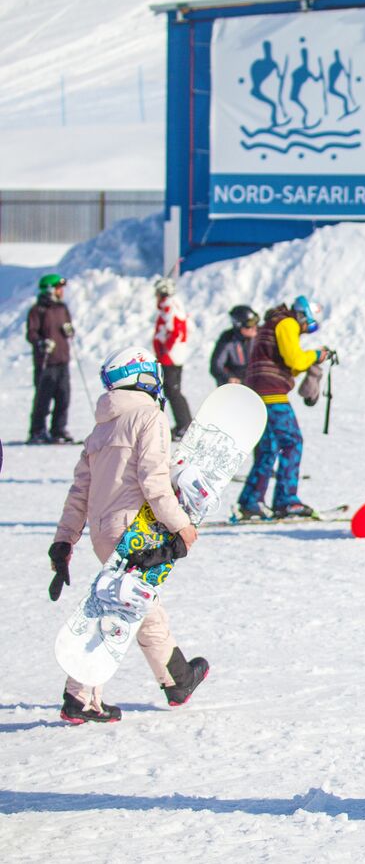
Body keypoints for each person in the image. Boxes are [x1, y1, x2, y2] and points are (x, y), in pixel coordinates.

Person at [47, 347, 209, 724]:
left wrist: (63, 541)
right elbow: (153, 481)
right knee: (120, 611)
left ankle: (177, 679)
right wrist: (179, 525)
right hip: (135, 530)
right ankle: (78, 696)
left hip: (102, 531)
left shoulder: (99, 430)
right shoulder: (148, 417)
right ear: (144, 378)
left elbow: (79, 494)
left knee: (134, 605)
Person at [237, 295, 333, 518]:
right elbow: (296, 360)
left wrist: (311, 362)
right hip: (272, 394)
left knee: (268, 449)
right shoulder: (287, 323)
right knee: (292, 442)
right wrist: (316, 354)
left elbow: (287, 364)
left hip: (256, 393)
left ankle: (251, 502)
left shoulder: (270, 324)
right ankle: (286, 500)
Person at [26, 273, 75, 444]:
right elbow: (31, 333)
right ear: (49, 289)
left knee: (64, 396)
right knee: (43, 398)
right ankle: (37, 431)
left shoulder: (62, 308)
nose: (61, 291)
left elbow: (69, 327)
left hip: (62, 359)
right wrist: (41, 342)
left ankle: (58, 430)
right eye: (58, 288)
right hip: (46, 362)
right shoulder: (38, 310)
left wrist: (69, 330)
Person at [152, 277, 193, 439]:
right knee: (172, 390)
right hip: (171, 356)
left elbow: (175, 332)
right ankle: (183, 423)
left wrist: (165, 350)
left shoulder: (170, 307)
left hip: (170, 357)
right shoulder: (172, 306)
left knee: (172, 390)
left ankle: (184, 424)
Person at [210, 305, 260, 386]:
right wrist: (228, 378)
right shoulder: (227, 339)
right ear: (239, 326)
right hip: (235, 385)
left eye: (256, 322)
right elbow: (216, 366)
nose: (255, 327)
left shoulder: (261, 335)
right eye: (249, 325)